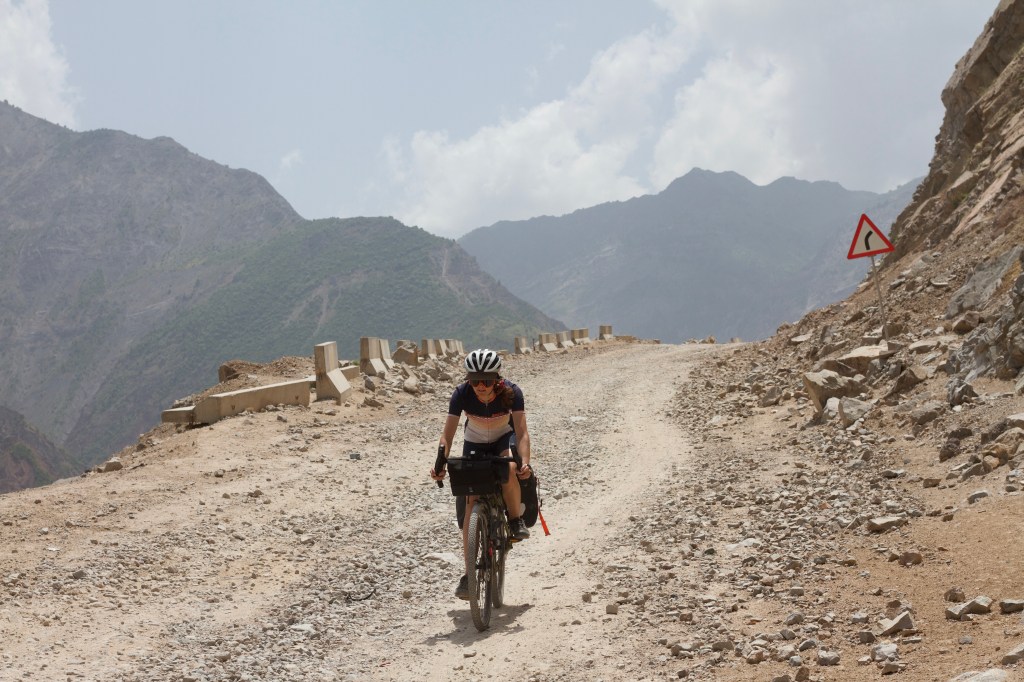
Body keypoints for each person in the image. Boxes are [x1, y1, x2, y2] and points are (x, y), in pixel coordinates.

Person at [429, 348, 533, 600]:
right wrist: (440, 463)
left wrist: (525, 463)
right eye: (475, 381)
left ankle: (515, 520)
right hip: (474, 441)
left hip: (502, 439)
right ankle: (469, 575)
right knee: (471, 499)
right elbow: (448, 435)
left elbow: (521, 432)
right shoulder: (461, 393)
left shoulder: (512, 392)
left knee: (509, 468)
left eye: (486, 380)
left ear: (496, 379)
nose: (480, 386)